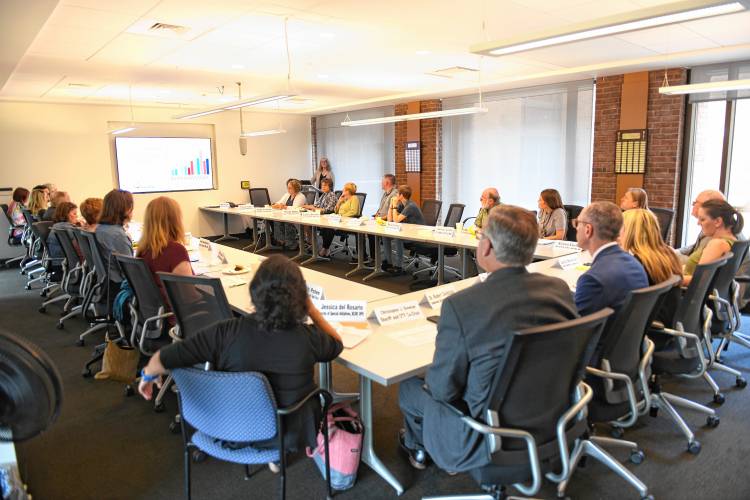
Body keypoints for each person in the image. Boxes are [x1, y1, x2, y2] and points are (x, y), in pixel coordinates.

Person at [397, 205, 578, 472]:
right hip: (549, 412)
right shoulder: (558, 290)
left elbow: (441, 389)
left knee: (409, 388)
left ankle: (419, 449)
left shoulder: (462, 306)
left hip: (484, 431)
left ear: (487, 248)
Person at [137, 255, 343, 455]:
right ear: (300, 299)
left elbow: (166, 357)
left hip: (233, 429)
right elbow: (336, 342)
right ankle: (274, 452)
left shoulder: (225, 332)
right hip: (289, 434)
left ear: (254, 292)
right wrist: (311, 308)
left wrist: (147, 374)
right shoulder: (307, 338)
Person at [574, 201, 648, 361]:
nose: (576, 228)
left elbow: (575, 333)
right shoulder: (633, 263)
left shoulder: (592, 280)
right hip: (627, 357)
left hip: (597, 362)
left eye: (577, 223)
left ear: (588, 230)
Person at [620, 209, 682, 324]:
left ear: (629, 231)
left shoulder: (638, 264)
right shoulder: (665, 253)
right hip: (668, 318)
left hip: (652, 326)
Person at [136, 197, 193, 317]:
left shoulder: (143, 249)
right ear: (175, 220)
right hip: (176, 316)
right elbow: (189, 296)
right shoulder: (175, 250)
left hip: (153, 314)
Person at [682, 199, 744, 285]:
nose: (698, 223)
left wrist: (670, 280)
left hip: (685, 292)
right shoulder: (733, 240)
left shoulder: (717, 244)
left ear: (718, 221)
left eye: (702, 219)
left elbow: (699, 281)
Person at [96, 189, 134, 304]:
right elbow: (130, 271)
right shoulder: (118, 236)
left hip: (108, 283)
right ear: (126, 210)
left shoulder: (101, 228)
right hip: (120, 286)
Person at [383, 185, 425, 274]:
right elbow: (390, 220)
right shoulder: (403, 204)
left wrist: (394, 205)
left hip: (416, 234)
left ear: (401, 195)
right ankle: (388, 263)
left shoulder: (410, 206)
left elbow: (396, 220)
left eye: (398, 193)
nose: (396, 195)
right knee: (385, 237)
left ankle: (399, 267)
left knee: (398, 238)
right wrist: (391, 205)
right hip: (408, 231)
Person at [319, 182, 360, 257]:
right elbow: (336, 211)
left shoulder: (354, 198)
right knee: (325, 226)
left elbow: (354, 212)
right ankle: (326, 248)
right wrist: (339, 201)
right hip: (339, 221)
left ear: (348, 190)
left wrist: (341, 217)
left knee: (329, 229)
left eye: (344, 189)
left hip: (347, 223)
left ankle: (325, 248)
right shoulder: (344, 198)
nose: (342, 190)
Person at [365, 174, 398, 265]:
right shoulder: (385, 193)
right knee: (367, 230)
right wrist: (376, 214)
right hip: (381, 220)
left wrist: (380, 219)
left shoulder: (395, 194)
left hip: (388, 222)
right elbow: (381, 208)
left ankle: (375, 259)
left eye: (382, 182)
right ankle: (373, 258)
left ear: (387, 183)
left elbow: (392, 212)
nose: (381, 183)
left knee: (372, 233)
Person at [271, 179, 306, 248]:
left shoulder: (301, 196)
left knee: (288, 223)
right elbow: (280, 202)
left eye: (290, 188)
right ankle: (281, 241)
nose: (288, 189)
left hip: (297, 218)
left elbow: (295, 208)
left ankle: (292, 244)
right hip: (287, 216)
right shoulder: (287, 194)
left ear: (295, 188)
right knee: (276, 220)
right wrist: (277, 204)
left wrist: (284, 207)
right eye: (288, 187)